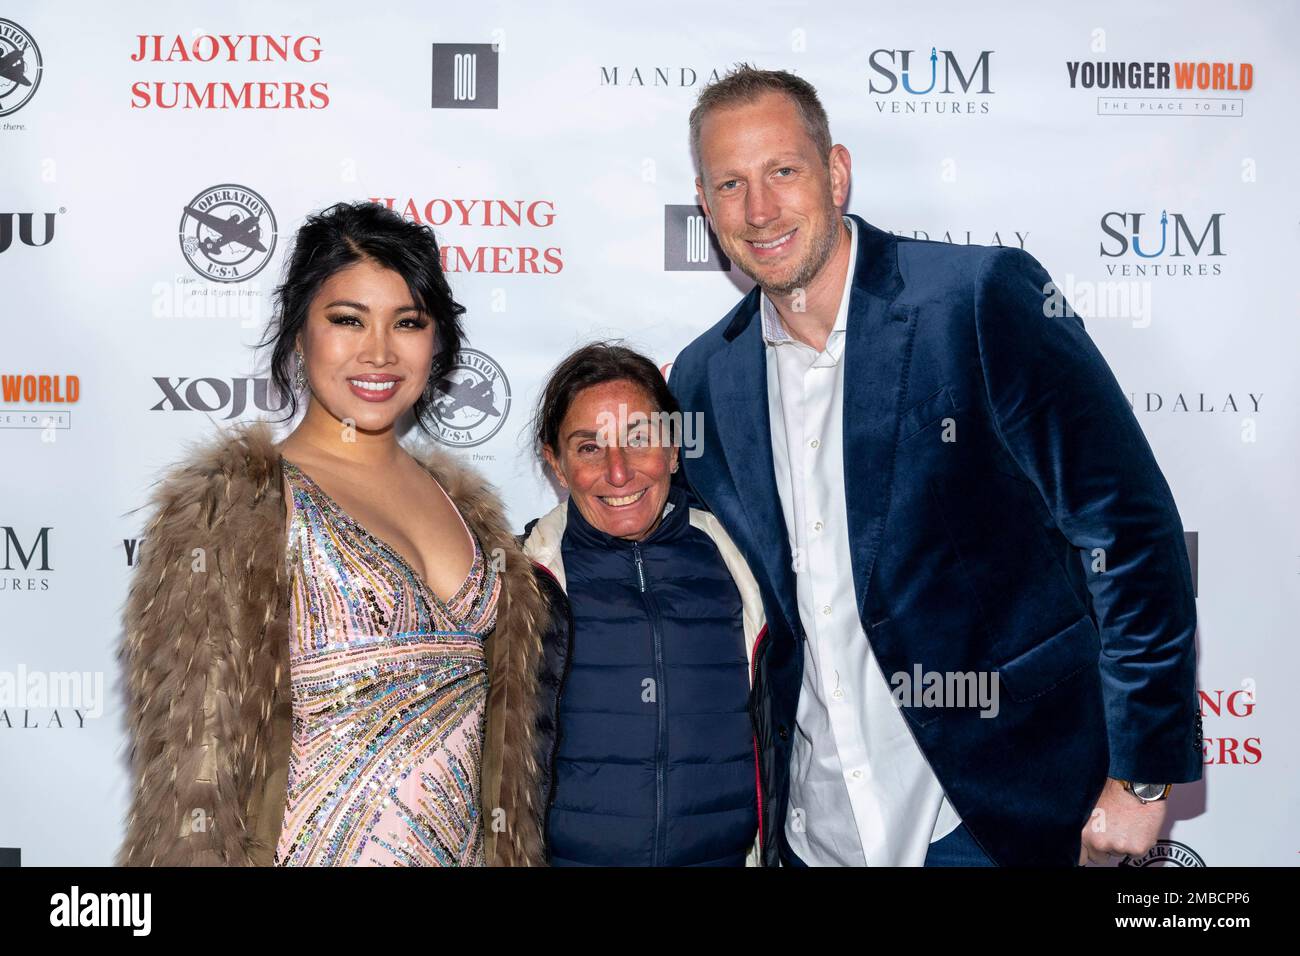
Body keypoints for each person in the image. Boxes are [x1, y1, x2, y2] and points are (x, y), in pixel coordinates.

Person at [668, 65, 1202, 867]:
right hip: (818, 831)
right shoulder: (704, 376)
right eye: (730, 184)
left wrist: (1143, 774)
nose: (760, 209)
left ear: (836, 173)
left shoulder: (978, 299)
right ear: (704, 206)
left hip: (997, 817)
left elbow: (1126, 530)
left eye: (783, 171)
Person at [117, 201, 546, 867]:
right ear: (298, 332)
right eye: (348, 319)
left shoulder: (470, 513)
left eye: (408, 322)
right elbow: (191, 786)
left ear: (436, 341)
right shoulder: (234, 509)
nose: (379, 351)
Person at [521, 343, 764, 865]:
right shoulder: (519, 585)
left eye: (639, 439)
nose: (618, 472)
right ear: (557, 465)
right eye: (589, 447)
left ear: (674, 449)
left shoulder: (749, 567)